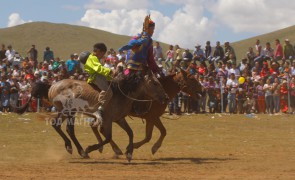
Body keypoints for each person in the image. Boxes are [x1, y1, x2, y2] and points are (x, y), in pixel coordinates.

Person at [84, 43, 114, 127]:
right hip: (96, 76)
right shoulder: (92, 58)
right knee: (108, 91)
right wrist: (110, 71)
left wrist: (110, 76)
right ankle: (99, 109)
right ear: (98, 51)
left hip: (99, 75)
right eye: (103, 54)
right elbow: (98, 68)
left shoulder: (96, 58)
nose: (102, 56)